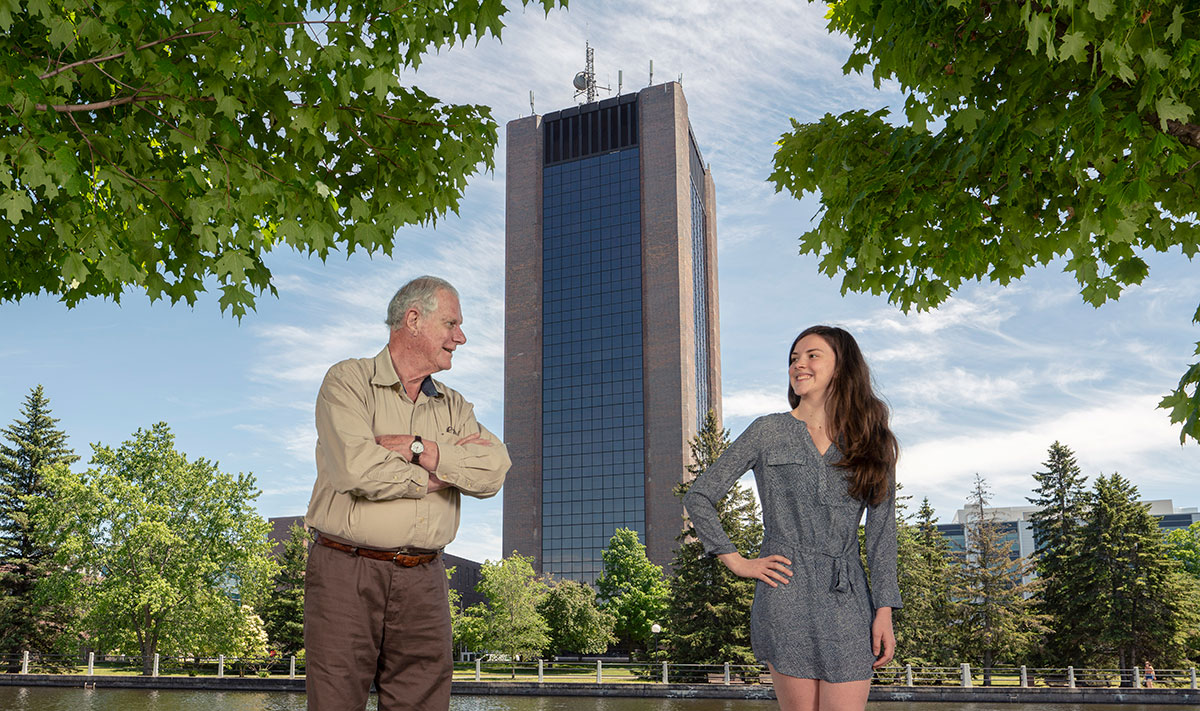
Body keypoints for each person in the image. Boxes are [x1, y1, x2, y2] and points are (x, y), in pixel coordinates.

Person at [304, 276, 510, 711]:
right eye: (451, 323)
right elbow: (357, 469)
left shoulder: (455, 405)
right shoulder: (348, 380)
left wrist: (421, 450)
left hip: (425, 578)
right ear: (413, 320)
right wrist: (446, 473)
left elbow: (494, 470)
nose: (461, 337)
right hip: (346, 572)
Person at [683, 325, 901, 711]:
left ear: (842, 366)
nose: (799, 364)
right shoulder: (767, 431)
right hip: (785, 592)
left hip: (848, 598)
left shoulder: (873, 441)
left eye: (812, 355)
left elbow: (881, 535)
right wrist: (737, 561)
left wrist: (884, 610)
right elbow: (699, 496)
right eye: (793, 358)